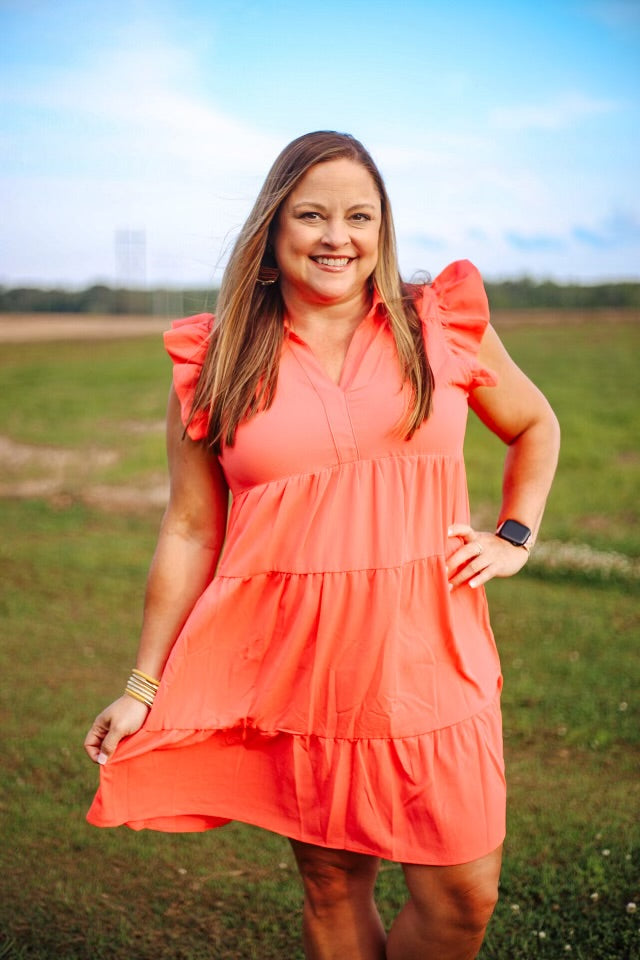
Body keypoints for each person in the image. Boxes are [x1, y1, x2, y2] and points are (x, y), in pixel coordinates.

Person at [84, 130, 560, 960]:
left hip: (435, 664)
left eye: (359, 216)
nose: (337, 235)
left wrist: (516, 534)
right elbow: (192, 528)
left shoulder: (439, 324)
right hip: (302, 674)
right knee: (332, 885)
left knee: (463, 898)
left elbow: (535, 424)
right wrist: (143, 682)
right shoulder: (216, 358)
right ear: (272, 232)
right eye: (311, 214)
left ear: (383, 230)